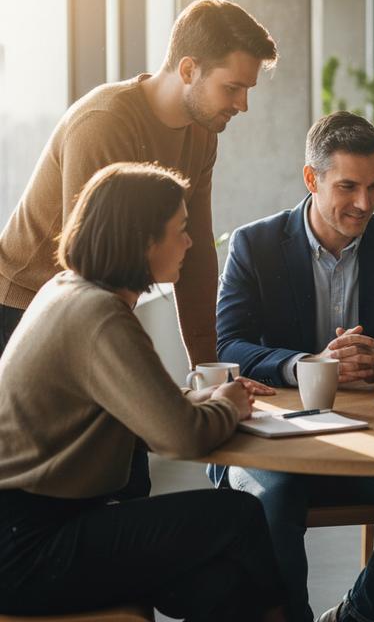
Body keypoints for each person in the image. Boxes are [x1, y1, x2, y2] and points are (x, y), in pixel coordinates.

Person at [0, 162, 286, 621]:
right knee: (238, 514)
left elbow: (135, 403)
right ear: (143, 240)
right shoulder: (100, 315)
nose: (190, 243)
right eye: (181, 230)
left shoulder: (68, 290)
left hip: (30, 531)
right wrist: (228, 405)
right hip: (30, 548)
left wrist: (203, 400)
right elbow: (180, 438)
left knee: (213, 586)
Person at [215, 111, 374, 622]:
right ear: (312, 178)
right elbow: (229, 346)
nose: (365, 203)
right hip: (272, 439)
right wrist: (310, 365)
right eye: (348, 186)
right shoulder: (254, 245)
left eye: (373, 186)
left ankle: (353, 617)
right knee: (276, 499)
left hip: (371, 438)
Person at [0, 0, 278, 366]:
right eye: (232, 88)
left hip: (85, 303)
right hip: (25, 305)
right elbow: (90, 270)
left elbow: (195, 256)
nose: (242, 105)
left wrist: (208, 372)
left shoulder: (203, 134)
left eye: (248, 90)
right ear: (188, 69)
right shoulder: (103, 123)